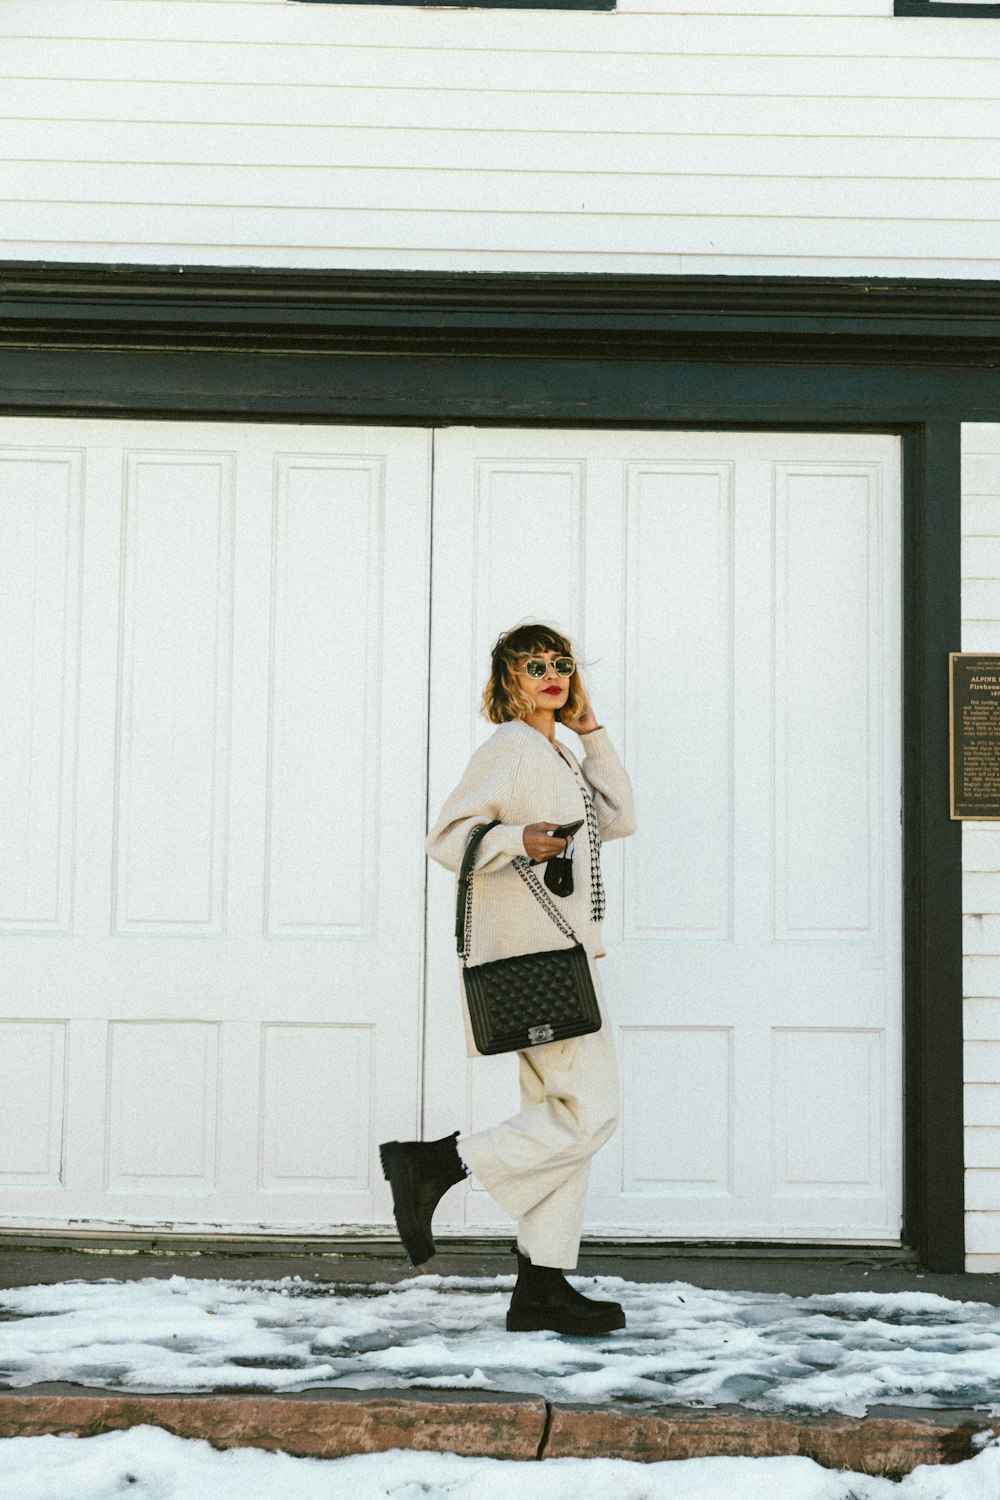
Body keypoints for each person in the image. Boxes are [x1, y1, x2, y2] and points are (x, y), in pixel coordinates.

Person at [380, 624, 636, 1336]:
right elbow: (444, 839)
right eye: (535, 665)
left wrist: (594, 735)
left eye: (561, 664)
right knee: (592, 1115)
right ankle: (434, 1164)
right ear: (508, 680)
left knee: (562, 1124)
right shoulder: (509, 749)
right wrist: (512, 839)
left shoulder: (553, 749)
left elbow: (619, 819)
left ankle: (541, 1285)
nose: (551, 674)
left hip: (559, 964)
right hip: (533, 966)